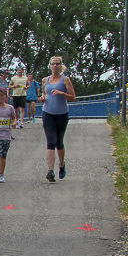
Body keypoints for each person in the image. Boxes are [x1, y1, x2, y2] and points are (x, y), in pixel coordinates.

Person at [39, 55, 76, 183]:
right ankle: (50, 171)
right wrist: (42, 98)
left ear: (61, 66)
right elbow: (44, 94)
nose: (55, 66)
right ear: (50, 66)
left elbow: (73, 97)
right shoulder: (45, 80)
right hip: (47, 113)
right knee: (51, 140)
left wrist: (62, 93)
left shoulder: (65, 80)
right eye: (53, 64)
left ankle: (61, 164)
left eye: (57, 64)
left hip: (61, 114)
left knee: (59, 142)